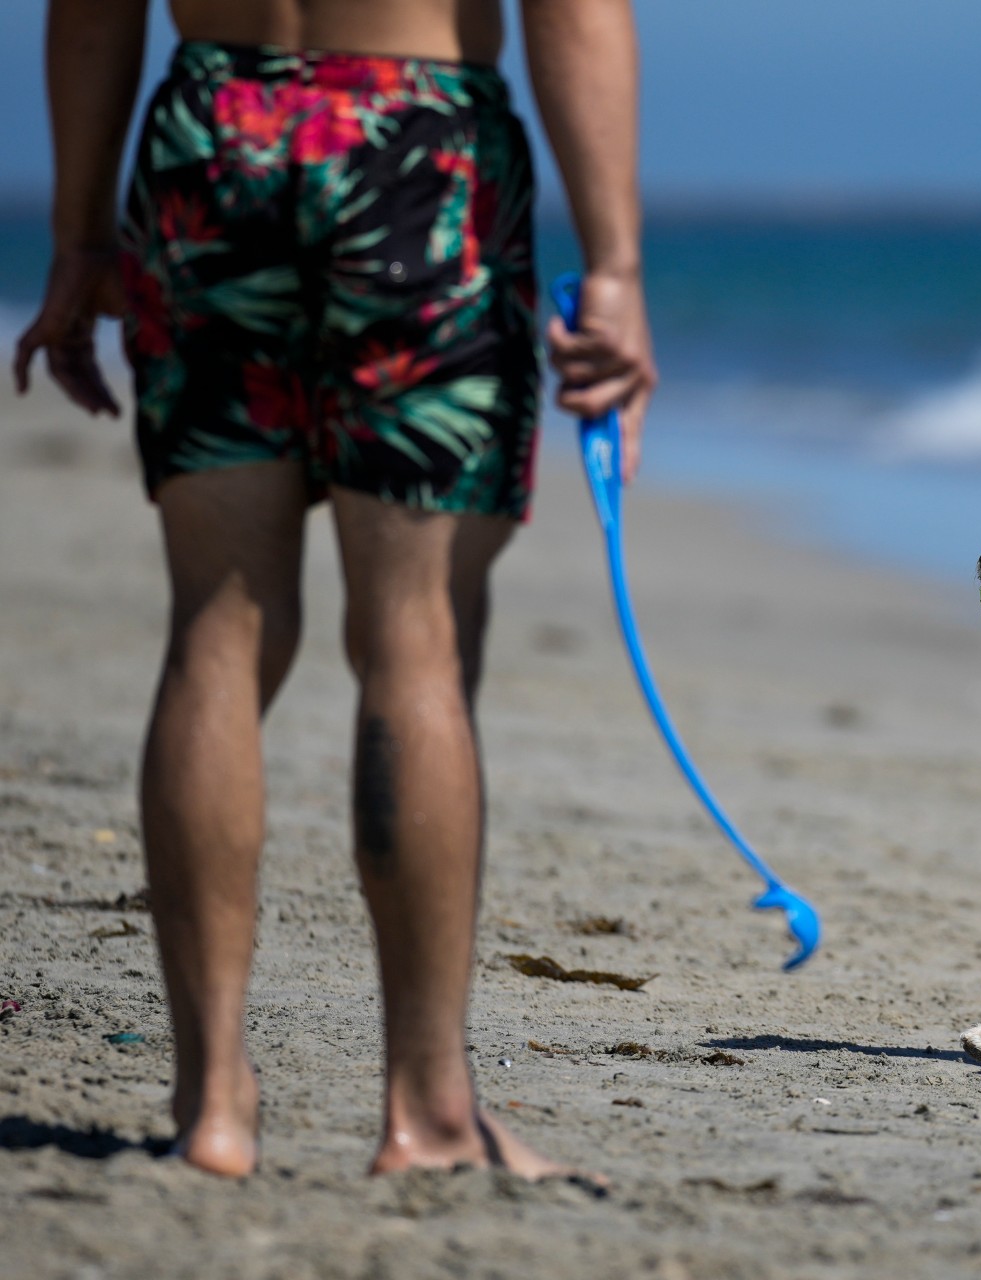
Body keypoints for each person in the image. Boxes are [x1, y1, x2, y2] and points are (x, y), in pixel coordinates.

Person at [12, 0, 657, 1180]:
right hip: (420, 149)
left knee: (213, 625)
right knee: (415, 642)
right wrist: (613, 264)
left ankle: (210, 1102)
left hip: (214, 136)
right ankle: (426, 1108)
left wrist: (78, 239)